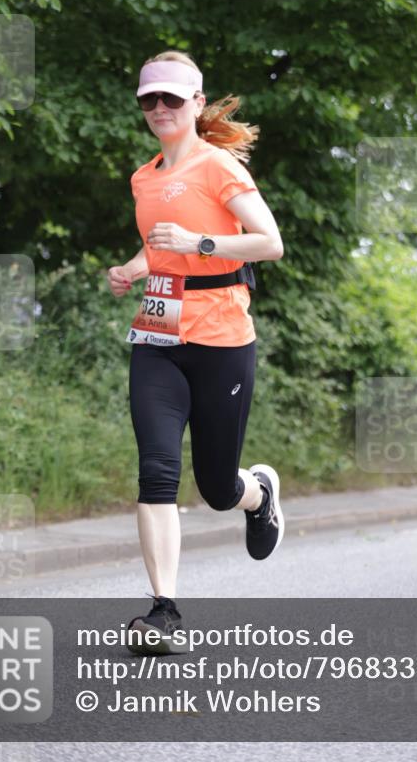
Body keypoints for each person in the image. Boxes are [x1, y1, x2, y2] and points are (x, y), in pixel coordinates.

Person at [107, 50, 285, 654]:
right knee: (157, 470)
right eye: (148, 99)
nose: (159, 108)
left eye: (171, 98)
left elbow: (270, 242)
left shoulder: (218, 166)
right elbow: (159, 247)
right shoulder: (144, 177)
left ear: (196, 103)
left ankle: (257, 494)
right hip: (158, 336)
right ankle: (164, 611)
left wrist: (200, 242)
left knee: (216, 488)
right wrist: (133, 269)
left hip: (222, 338)